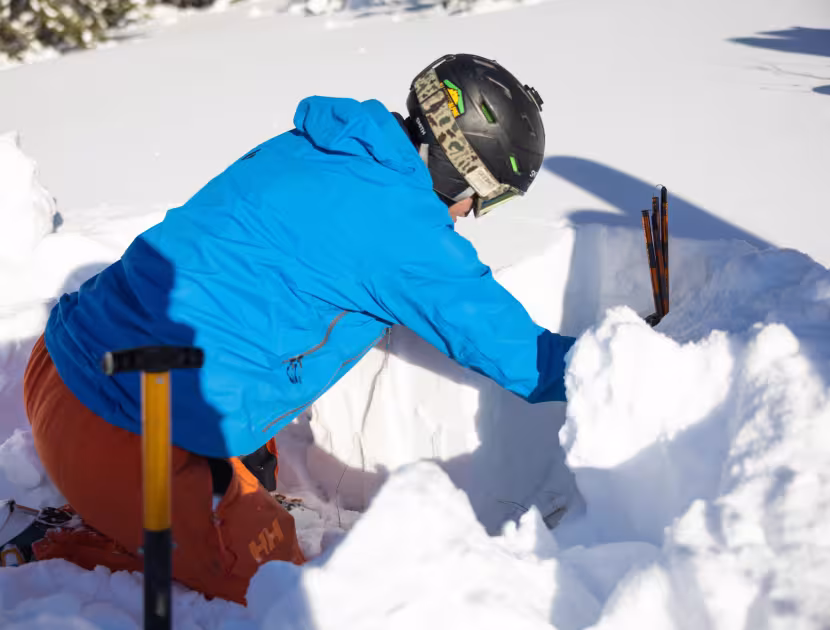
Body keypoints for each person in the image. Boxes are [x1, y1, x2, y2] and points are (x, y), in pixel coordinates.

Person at [22, 53, 576, 604]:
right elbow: (524, 359)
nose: (473, 212)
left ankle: (156, 503)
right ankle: (66, 545)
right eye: (487, 193)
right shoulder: (404, 232)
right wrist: (621, 362)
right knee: (274, 583)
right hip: (114, 429)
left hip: (61, 366)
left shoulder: (321, 146)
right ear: (462, 163)